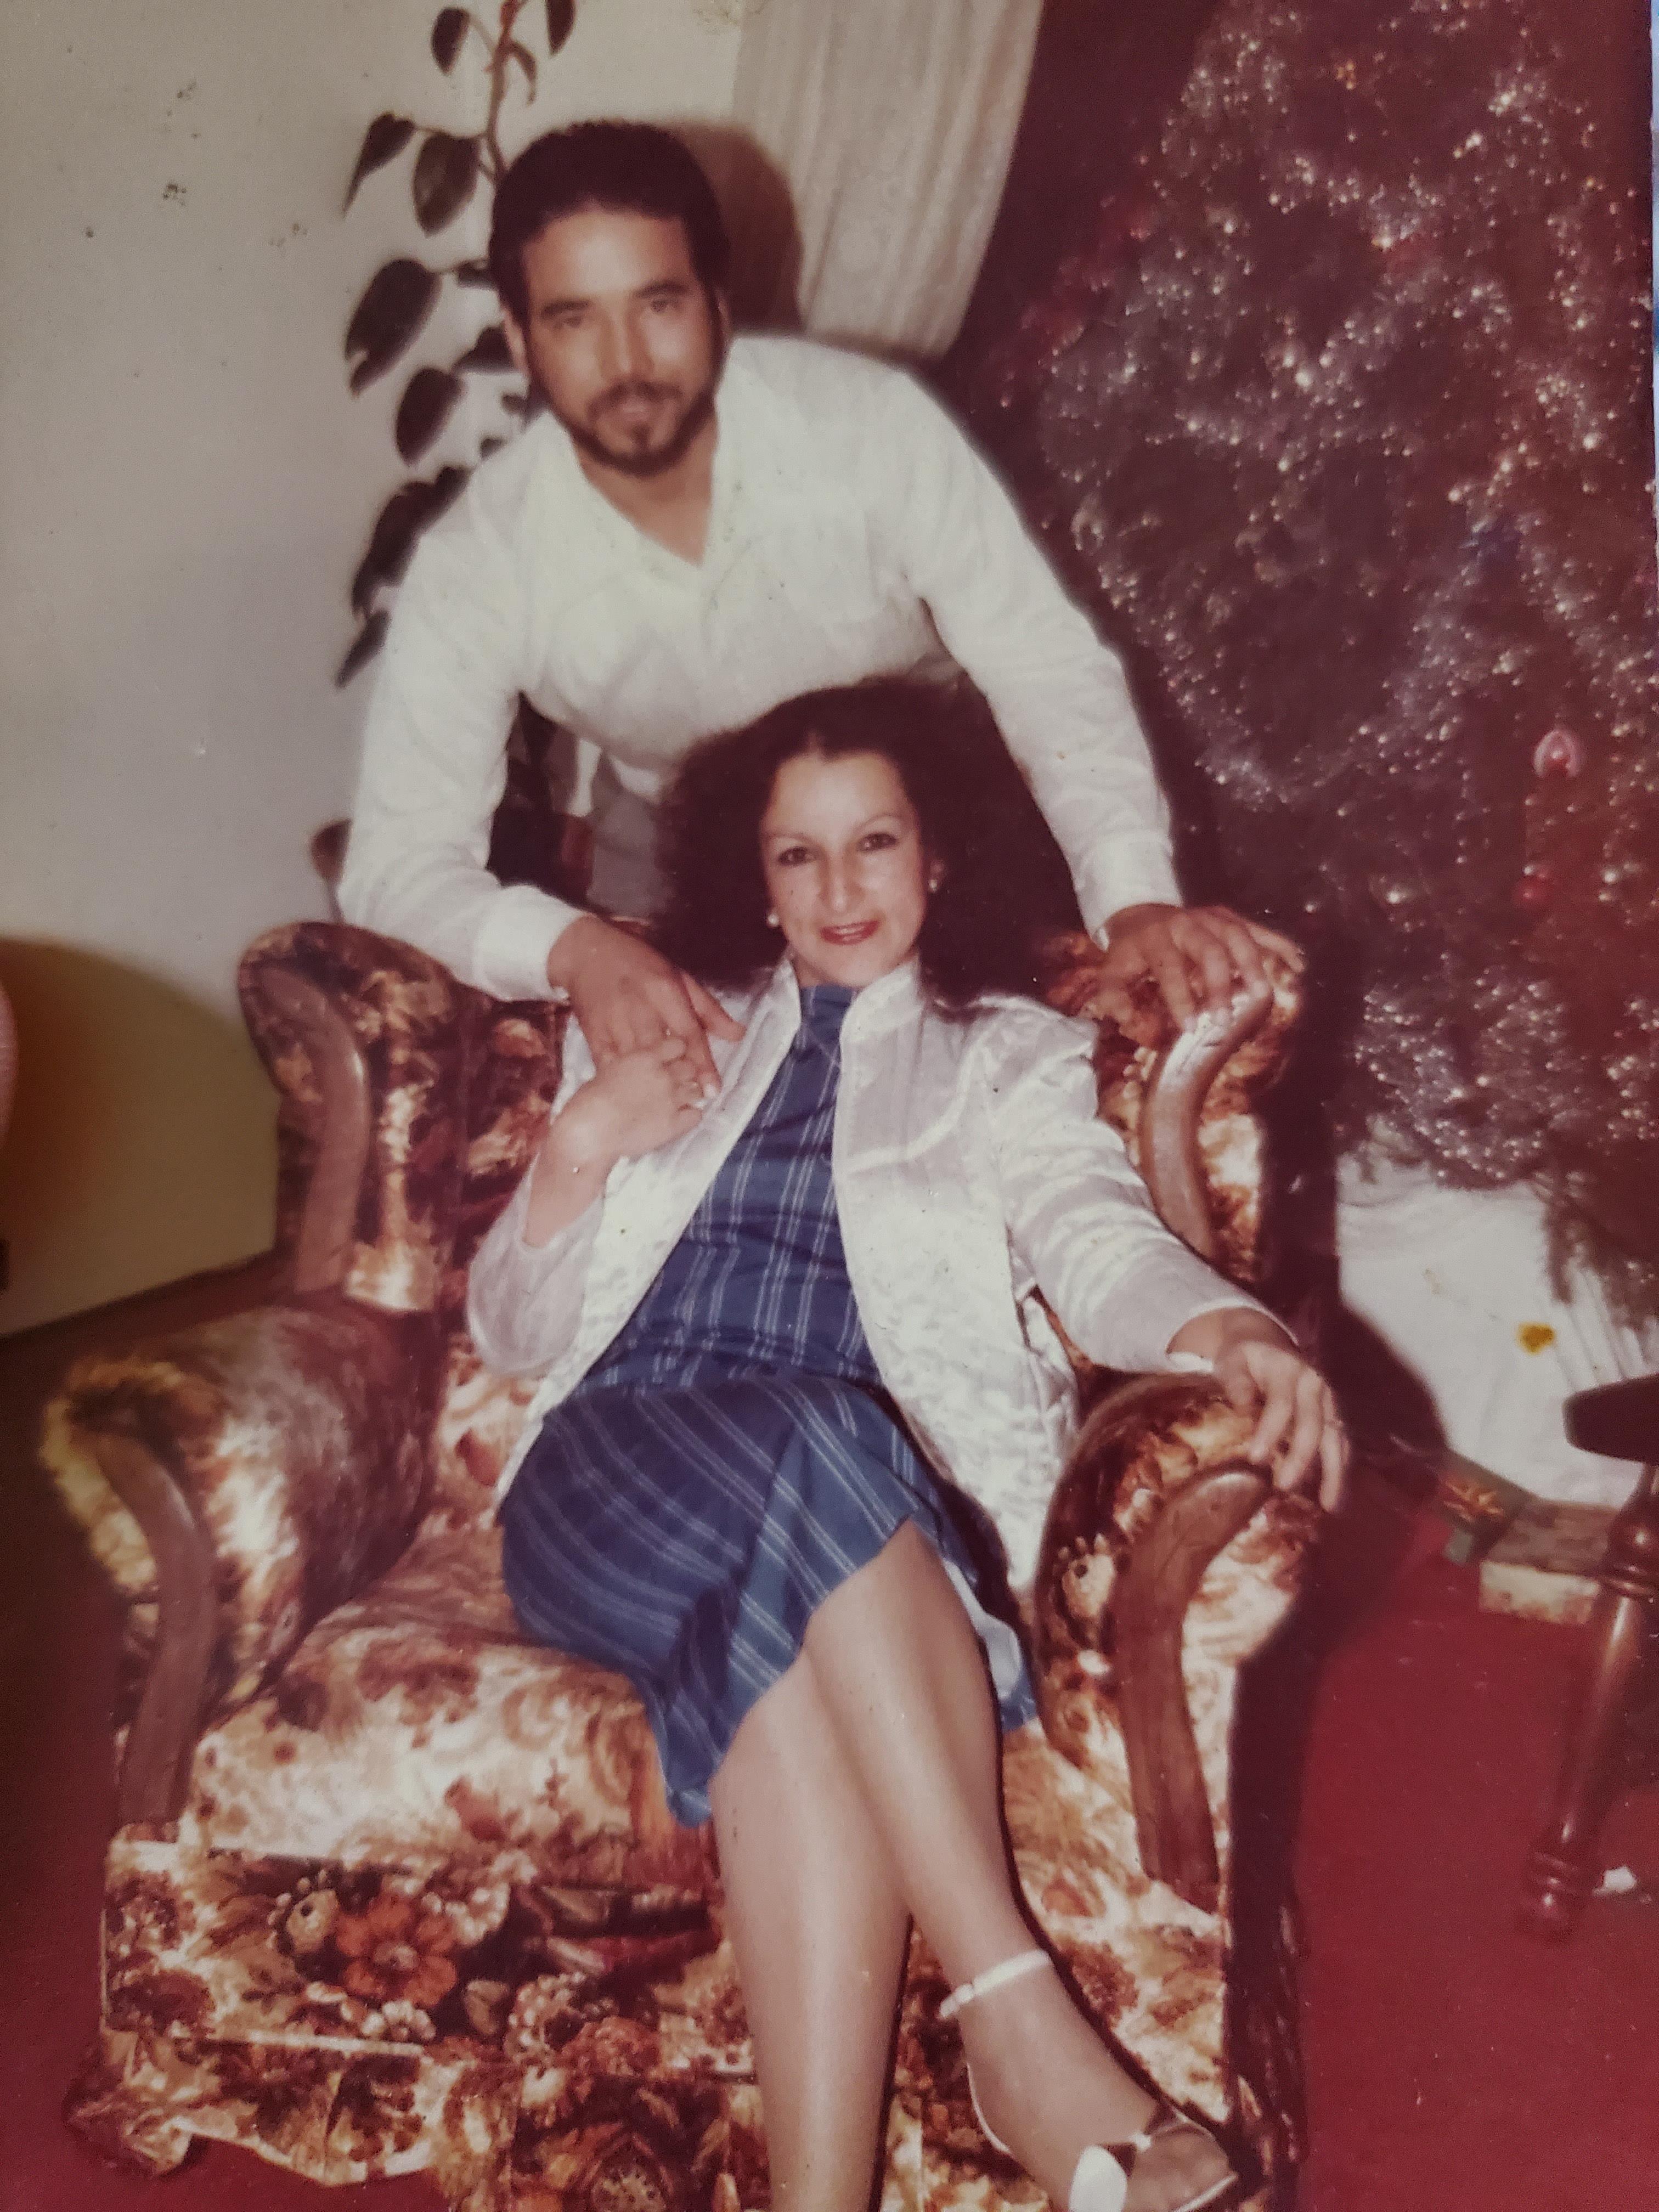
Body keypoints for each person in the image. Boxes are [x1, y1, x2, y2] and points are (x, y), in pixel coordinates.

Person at [467, 679, 1346, 2212]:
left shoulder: (1006, 1055)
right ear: (758, 880)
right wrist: (587, 1139)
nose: (839, 888)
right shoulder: (670, 1028)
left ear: (936, 857)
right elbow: (513, 1332)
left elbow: (1094, 1237)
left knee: (789, 1694)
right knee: (815, 1428)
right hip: (614, 1471)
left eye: (873, 842)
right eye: (797, 855)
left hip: (842, 1529)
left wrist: (1229, 1330)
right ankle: (1020, 2026)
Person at [340, 120, 1302, 1101]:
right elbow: (396, 866)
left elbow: (1042, 665)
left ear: (717, 306)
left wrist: (1133, 899)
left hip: (932, 810)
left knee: (1000, 1097)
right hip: (680, 842)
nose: (626, 362)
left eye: (658, 304)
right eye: (574, 319)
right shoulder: (478, 560)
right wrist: (576, 946)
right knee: (689, 1124)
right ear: (519, 338)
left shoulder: (870, 427)